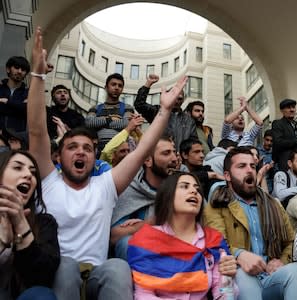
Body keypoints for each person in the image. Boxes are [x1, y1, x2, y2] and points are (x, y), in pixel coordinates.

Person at [27, 27, 188, 300]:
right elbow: (36, 132)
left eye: (88, 148)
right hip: (57, 276)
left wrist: (164, 110)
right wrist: (38, 75)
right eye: (72, 147)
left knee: (117, 267)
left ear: (94, 155)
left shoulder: (105, 185)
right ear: (59, 155)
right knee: (65, 267)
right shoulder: (48, 180)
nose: (81, 153)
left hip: (96, 279)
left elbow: (143, 151)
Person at [204, 147, 297, 300]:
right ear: (227, 176)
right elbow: (215, 244)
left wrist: (281, 262)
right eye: (242, 166)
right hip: (238, 278)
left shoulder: (273, 204)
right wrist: (239, 255)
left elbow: (291, 241)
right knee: (242, 273)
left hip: (270, 276)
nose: (249, 170)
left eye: (252, 166)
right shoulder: (217, 204)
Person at [127, 172, 237, 299]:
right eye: (185, 186)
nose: (194, 191)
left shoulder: (213, 240)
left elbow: (222, 292)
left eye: (197, 189)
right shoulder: (146, 240)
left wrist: (229, 281)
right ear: (168, 195)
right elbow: (143, 295)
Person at [0, 150, 60, 300]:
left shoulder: (44, 223)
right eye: (18, 167)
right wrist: (1, 241)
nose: (28, 175)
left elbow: (41, 280)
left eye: (33, 173)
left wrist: (21, 224)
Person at [110, 136, 178, 260]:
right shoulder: (128, 188)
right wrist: (152, 222)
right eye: (166, 153)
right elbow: (114, 237)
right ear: (148, 160)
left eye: (174, 152)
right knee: (127, 243)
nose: (174, 159)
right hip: (140, 262)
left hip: (176, 255)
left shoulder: (183, 188)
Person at [134, 74, 197, 151]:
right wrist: (148, 84)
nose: (176, 101)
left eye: (180, 98)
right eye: (174, 96)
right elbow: (139, 105)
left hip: (181, 159)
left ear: (183, 100)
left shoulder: (189, 121)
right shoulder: (157, 111)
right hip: (159, 156)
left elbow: (194, 143)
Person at [85, 73, 134, 153]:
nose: (117, 88)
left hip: (120, 150)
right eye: (113, 84)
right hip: (98, 150)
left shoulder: (127, 108)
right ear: (106, 87)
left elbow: (126, 124)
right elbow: (89, 122)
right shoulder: (95, 108)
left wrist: (100, 121)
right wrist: (110, 120)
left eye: (120, 86)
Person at [0, 56, 30, 135]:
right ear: (8, 69)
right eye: (16, 67)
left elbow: (27, 109)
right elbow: (22, 108)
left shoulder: (28, 93)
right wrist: (19, 106)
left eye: (23, 70)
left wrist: (7, 102)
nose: (20, 71)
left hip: (16, 140)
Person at [271, 99, 297, 171]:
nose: (292, 110)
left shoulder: (294, 125)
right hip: (286, 163)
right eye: (289, 107)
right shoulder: (278, 123)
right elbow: (278, 142)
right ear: (282, 110)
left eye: (293, 107)